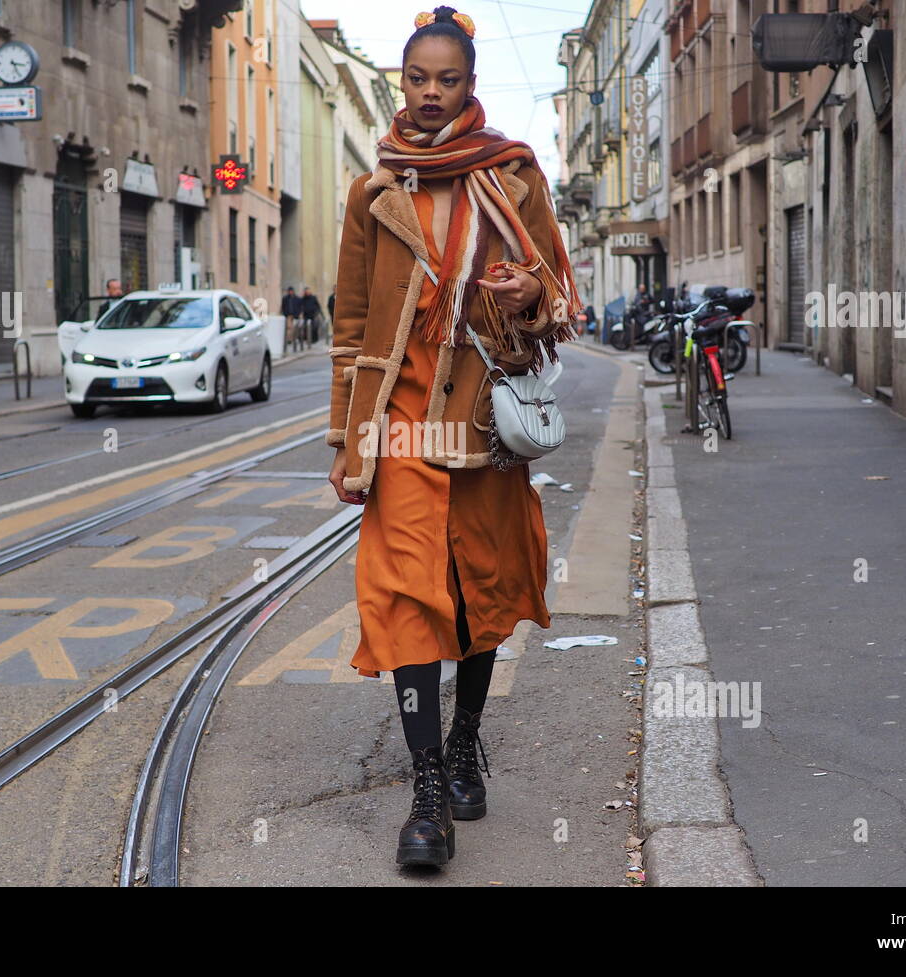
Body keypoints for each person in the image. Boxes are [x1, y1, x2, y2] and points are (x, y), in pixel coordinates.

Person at [326, 5, 580, 869]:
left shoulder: (511, 174)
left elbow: (556, 295)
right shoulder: (374, 190)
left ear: (471, 85)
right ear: (403, 83)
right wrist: (344, 437)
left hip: (481, 414)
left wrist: (524, 297)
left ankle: (467, 735)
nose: (431, 94)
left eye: (449, 79)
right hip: (399, 420)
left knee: (480, 589)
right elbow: (352, 319)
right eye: (418, 79)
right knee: (405, 597)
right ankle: (426, 788)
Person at [280, 286, 303, 352]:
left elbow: (300, 307)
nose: (290, 292)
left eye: (291, 291)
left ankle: (294, 339)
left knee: (295, 328)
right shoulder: (285, 298)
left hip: (295, 315)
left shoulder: (297, 298)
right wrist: (285, 313)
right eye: (289, 291)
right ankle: (289, 340)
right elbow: (283, 307)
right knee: (289, 328)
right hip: (288, 315)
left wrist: (299, 314)